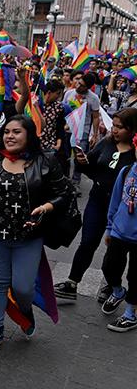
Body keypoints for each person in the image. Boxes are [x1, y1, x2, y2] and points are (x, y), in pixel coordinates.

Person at [0, 115, 71, 353]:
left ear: (29, 135)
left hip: (28, 239)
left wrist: (47, 207)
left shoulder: (45, 162)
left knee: (23, 288)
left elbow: (64, 193)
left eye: (16, 132)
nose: (9, 136)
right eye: (6, 132)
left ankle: (24, 310)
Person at [54, 108, 137, 301]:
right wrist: (83, 162)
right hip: (97, 200)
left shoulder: (134, 153)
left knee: (115, 249)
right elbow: (91, 170)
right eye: (114, 126)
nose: (114, 130)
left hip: (122, 208)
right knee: (88, 241)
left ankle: (111, 285)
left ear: (132, 130)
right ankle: (72, 282)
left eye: (120, 127)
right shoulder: (106, 143)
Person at [101, 140, 137, 332]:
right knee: (109, 266)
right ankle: (117, 291)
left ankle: (131, 313)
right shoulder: (127, 171)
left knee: (135, 276)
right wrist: (109, 227)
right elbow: (115, 201)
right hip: (119, 231)